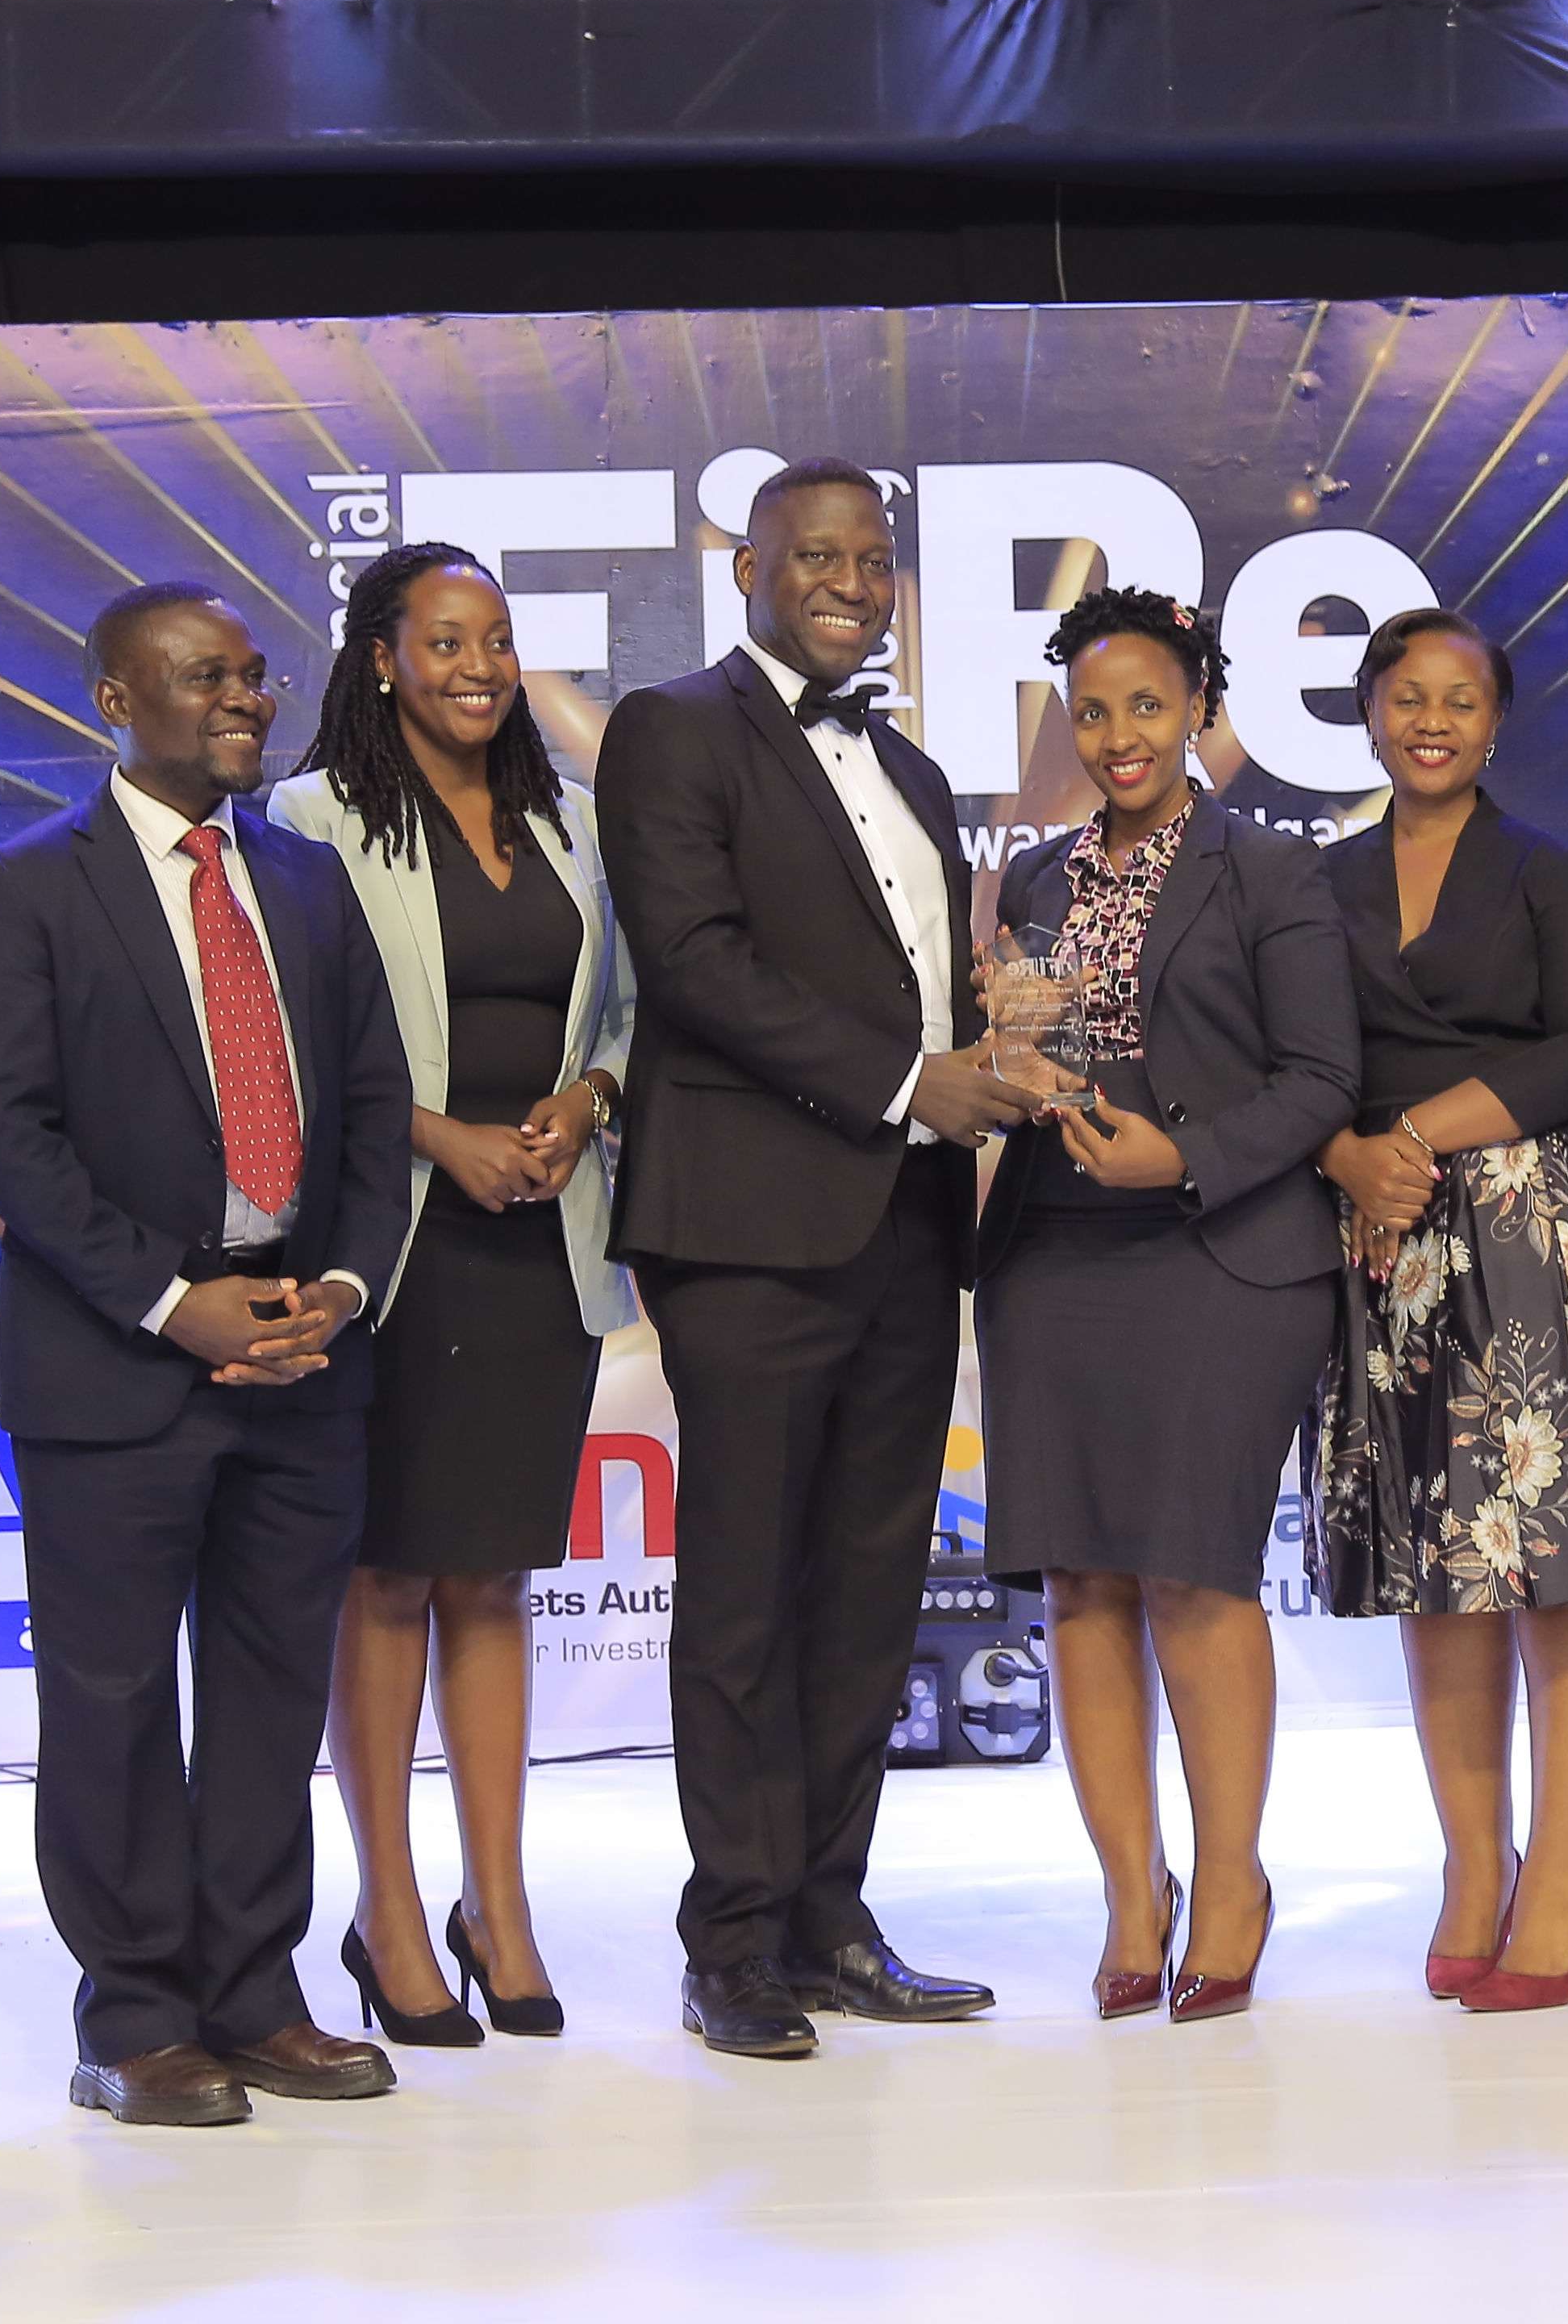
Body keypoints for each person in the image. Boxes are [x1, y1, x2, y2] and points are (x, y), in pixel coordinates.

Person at [0, 581, 417, 2126]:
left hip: (306, 1353)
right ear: (112, 700)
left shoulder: (309, 878)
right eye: (204, 676)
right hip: (118, 1361)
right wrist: (173, 1303)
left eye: (254, 675)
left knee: (276, 1695)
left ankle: (256, 1991)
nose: (245, 698)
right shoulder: (25, 885)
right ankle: (136, 2013)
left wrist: (340, 1288)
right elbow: (7, 1136)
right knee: (113, 1699)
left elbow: (368, 1104)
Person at [598, 457, 1047, 2060]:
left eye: (874, 556)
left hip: (908, 1227)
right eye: (818, 553)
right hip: (745, 1228)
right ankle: (730, 1939)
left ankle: (827, 1916)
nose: (851, 579)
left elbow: (923, 992)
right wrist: (910, 1081)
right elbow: (696, 964)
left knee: (865, 1590)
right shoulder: (673, 728)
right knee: (743, 1596)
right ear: (750, 568)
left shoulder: (916, 771)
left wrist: (996, 1053)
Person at [1313, 606, 1568, 2016]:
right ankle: (1471, 1871)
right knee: (1444, 1576)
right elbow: (1287, 1057)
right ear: (1371, 715)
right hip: (1391, 1249)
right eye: (1407, 697)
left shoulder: (1552, 872)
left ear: (1496, 724)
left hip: (1543, 1236)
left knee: (1565, 1563)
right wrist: (1349, 1158)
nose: (1433, 720)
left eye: (1462, 701)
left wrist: (1411, 1131)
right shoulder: (1318, 883)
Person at [269, 544, 641, 2047]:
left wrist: (590, 1098)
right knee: (391, 1579)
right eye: (445, 642)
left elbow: (625, 1007)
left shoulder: (575, 819)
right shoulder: (311, 819)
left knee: (496, 1576)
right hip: (397, 1244)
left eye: (496, 641)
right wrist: (444, 1137)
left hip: (543, 1240)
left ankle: (503, 1903)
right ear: (380, 661)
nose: (479, 667)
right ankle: (391, 1910)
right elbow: (301, 1041)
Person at [971, 588, 1358, 2023]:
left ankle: (1235, 1878)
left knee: (1195, 1574)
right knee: (1082, 1581)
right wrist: (1008, 1069)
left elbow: (1322, 1081)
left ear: (1201, 706)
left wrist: (1182, 1153)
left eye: (1147, 704)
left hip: (1221, 1252)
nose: (1119, 735)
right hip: (1055, 1254)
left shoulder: (1269, 874)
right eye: (1092, 711)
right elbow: (1041, 1062)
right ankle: (1134, 1893)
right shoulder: (1035, 882)